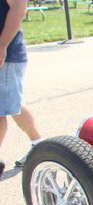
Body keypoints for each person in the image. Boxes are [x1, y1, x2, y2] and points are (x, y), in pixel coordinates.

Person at [0, 0, 42, 178]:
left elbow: (18, 8)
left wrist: (1, 46)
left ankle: (39, 146)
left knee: (2, 109)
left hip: (7, 56)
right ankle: (39, 145)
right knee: (13, 105)